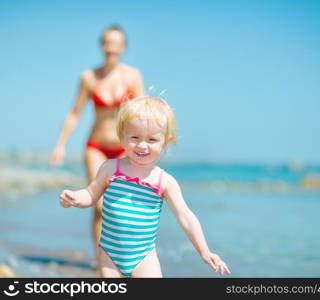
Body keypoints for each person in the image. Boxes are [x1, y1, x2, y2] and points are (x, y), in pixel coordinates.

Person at [59, 96, 231, 277]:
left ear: (165, 141)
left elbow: (185, 216)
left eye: (151, 140)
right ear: (122, 136)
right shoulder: (110, 168)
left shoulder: (164, 181)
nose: (142, 145)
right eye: (135, 137)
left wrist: (204, 251)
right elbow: (91, 194)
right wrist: (75, 198)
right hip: (110, 253)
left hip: (143, 256)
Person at [49, 25, 144, 260]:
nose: (111, 48)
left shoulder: (132, 76)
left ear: (123, 47)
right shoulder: (89, 77)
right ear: (102, 46)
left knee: (122, 207)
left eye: (116, 43)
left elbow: (144, 112)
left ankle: (124, 258)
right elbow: (75, 112)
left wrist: (152, 143)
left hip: (125, 149)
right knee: (100, 204)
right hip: (96, 147)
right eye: (107, 43)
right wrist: (60, 145)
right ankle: (103, 261)